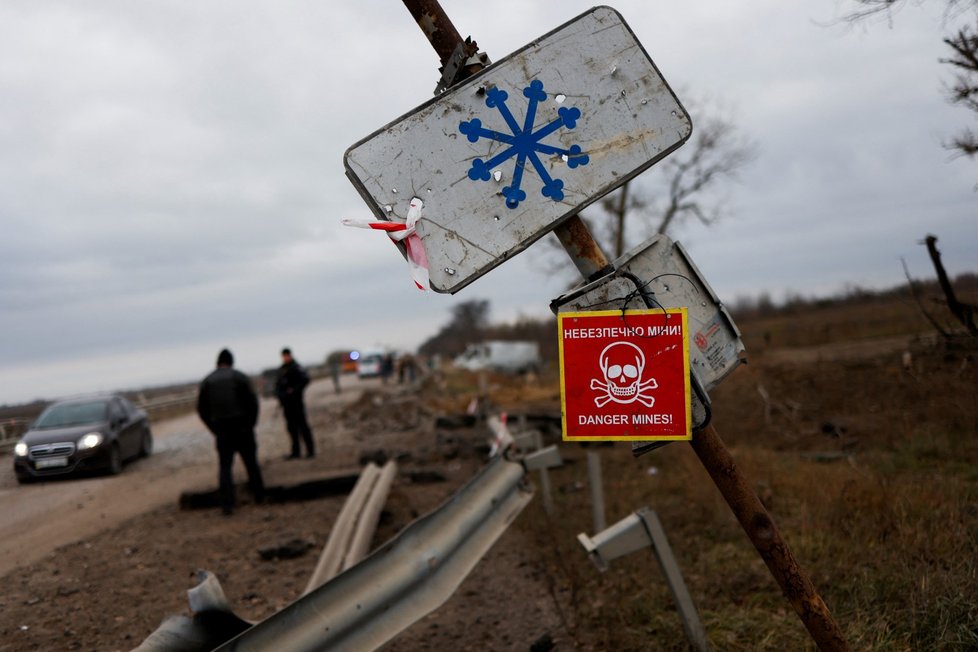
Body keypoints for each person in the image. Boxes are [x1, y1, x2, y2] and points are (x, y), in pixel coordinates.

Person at [196, 348, 265, 515]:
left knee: (225, 468)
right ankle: (260, 496)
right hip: (243, 428)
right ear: (231, 361)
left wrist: (214, 428)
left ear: (218, 362)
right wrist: (251, 424)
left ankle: (227, 505)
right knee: (251, 463)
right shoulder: (239, 377)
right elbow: (253, 402)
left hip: (222, 431)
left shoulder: (207, 381)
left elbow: (201, 409)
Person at [276, 347, 315, 459]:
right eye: (284, 356)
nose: (285, 358)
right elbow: (278, 385)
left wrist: (294, 390)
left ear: (290, 355)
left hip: (296, 403)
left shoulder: (296, 367)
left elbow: (305, 380)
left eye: (287, 355)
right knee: (291, 428)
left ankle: (310, 450)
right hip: (287, 404)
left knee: (303, 427)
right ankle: (295, 451)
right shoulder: (282, 369)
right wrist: (281, 395)